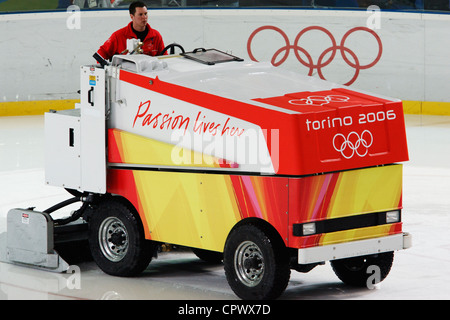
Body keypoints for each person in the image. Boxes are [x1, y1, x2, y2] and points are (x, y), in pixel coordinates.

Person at [93, 1, 166, 66]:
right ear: (132, 16)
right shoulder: (118, 36)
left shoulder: (156, 35)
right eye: (140, 14)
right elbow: (101, 53)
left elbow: (165, 58)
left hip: (150, 75)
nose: (144, 17)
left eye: (145, 14)